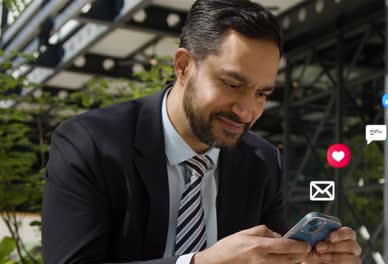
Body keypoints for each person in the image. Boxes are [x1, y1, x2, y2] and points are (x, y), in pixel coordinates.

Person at [42, 0, 362, 263]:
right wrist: (200, 263)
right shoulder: (90, 145)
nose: (247, 111)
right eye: (233, 84)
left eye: (262, 93)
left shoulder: (262, 162)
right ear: (183, 67)